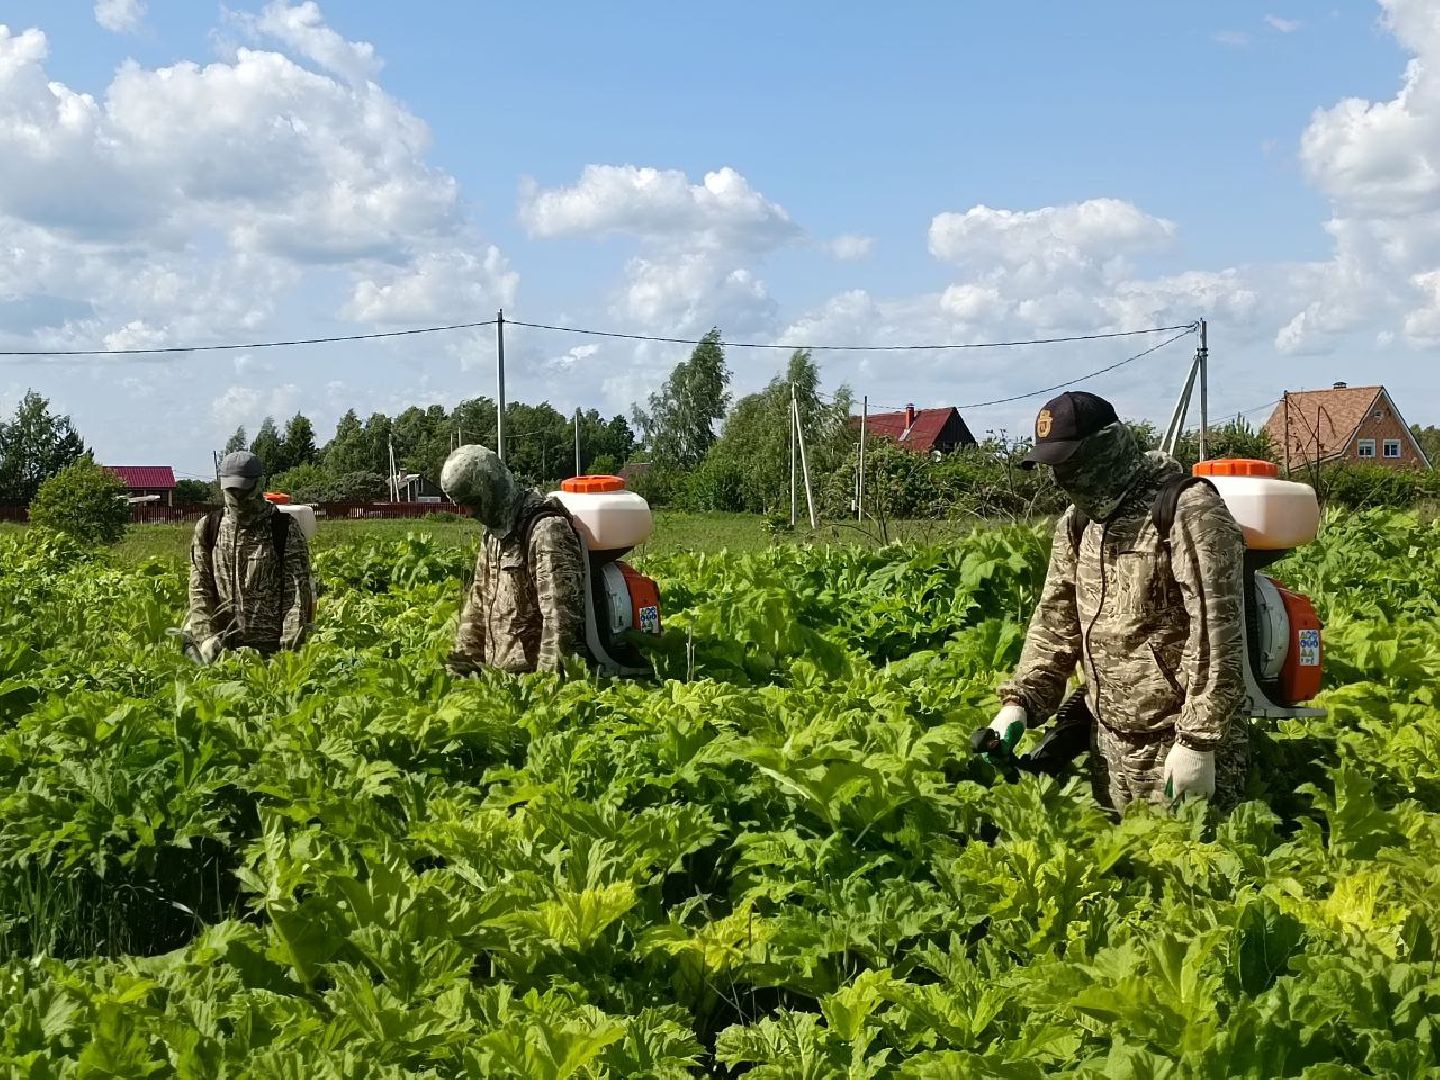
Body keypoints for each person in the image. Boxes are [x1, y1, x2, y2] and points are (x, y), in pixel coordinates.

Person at [988, 391, 1249, 813]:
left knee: (1191, 852)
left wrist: (1198, 740)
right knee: (1120, 853)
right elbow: (1055, 621)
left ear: (1105, 449)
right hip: (1108, 747)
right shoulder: (1078, 524)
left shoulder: (1188, 509)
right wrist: (1020, 702)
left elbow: (1218, 632)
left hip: (1177, 744)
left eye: (1071, 462)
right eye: (1055, 466)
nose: (1064, 477)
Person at [441, 444, 586, 675]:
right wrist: (458, 670)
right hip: (501, 680)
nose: (468, 513)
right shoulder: (493, 534)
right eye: (461, 505)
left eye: (472, 502)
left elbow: (560, 623)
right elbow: (477, 608)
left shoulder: (546, 531)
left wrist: (544, 687)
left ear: (492, 488)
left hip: (531, 683)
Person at [184, 451, 313, 663]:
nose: (238, 496)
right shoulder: (208, 527)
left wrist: (289, 652)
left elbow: (297, 595)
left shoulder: (283, 529)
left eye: (244, 489)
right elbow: (199, 587)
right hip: (219, 654)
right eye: (232, 489)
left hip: (270, 655)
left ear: (259, 484)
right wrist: (206, 637)